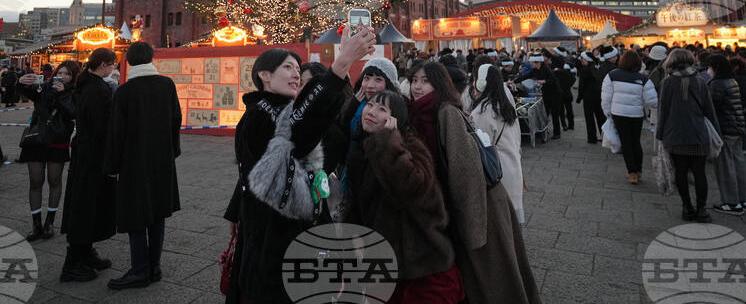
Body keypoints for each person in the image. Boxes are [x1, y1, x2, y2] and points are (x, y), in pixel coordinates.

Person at [223, 26, 376, 304]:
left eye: (297, 68)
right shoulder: (261, 114)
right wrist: (341, 63)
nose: (295, 74)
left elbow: (316, 124)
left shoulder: (279, 110)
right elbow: (297, 132)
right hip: (273, 237)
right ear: (264, 75)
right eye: (287, 67)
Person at [408, 61, 540, 304]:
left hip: (478, 205)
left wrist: (468, 223)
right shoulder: (419, 113)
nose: (417, 87)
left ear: (439, 83)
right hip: (469, 202)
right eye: (414, 80)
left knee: (491, 276)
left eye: (425, 81)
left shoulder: (445, 112)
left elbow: (464, 171)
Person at [346, 89, 464, 303]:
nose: (370, 112)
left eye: (382, 109)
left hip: (422, 264)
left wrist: (390, 143)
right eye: (370, 105)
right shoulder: (361, 150)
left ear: (395, 119)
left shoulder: (411, 146)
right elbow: (358, 203)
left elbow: (413, 189)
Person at [103, 41, 182, 290]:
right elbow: (176, 120)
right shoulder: (166, 84)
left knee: (135, 214)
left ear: (128, 61)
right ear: (151, 58)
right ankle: (154, 265)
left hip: (133, 161)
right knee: (158, 212)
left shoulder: (125, 91)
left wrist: (112, 164)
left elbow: (116, 132)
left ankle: (139, 269)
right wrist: (172, 151)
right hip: (162, 159)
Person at [60, 49, 118, 282]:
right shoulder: (95, 89)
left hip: (88, 153)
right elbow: (101, 126)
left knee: (90, 204)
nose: (114, 68)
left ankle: (85, 252)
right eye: (113, 64)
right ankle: (73, 261)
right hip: (92, 155)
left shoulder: (88, 84)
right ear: (103, 65)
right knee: (85, 205)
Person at [18, 60, 78, 242]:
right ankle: (36, 224)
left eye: (68, 74)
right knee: (35, 181)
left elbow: (72, 113)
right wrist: (21, 82)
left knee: (54, 180)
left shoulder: (74, 92)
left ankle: (49, 223)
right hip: (37, 139)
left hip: (58, 140)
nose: (64, 76)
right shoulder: (44, 87)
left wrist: (62, 95)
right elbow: (27, 93)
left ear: (73, 77)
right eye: (61, 72)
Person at [656, 49, 718, 223]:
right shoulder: (699, 81)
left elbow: (663, 111)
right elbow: (709, 110)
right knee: (700, 172)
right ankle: (702, 209)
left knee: (680, 171)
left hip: (674, 133)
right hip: (698, 133)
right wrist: (716, 132)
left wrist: (660, 135)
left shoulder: (667, 82)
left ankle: (687, 207)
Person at [470, 64, 524, 224]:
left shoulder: (483, 112)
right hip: (513, 169)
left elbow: (480, 149)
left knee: (500, 224)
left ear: (481, 83)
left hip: (496, 175)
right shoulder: (505, 106)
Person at [601, 51, 658, 184]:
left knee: (626, 143)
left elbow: (606, 97)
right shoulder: (644, 79)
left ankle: (631, 172)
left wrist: (608, 113)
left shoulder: (612, 76)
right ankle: (639, 171)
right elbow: (652, 101)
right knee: (636, 142)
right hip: (636, 115)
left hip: (618, 114)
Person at [707, 55, 746, 215]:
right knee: (738, 164)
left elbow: (711, 107)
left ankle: (731, 202)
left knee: (725, 167)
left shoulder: (717, 84)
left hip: (724, 128)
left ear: (715, 68)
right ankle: (745, 199)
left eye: (710, 67)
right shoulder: (732, 81)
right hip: (737, 127)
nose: (708, 70)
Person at [515, 53, 563, 139]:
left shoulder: (546, 69)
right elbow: (525, 76)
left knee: (555, 114)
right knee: (545, 113)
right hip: (546, 93)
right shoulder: (535, 70)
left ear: (538, 62)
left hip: (555, 94)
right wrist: (514, 81)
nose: (531, 64)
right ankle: (544, 130)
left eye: (532, 62)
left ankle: (557, 133)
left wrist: (544, 81)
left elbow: (554, 81)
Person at [576, 52, 606, 143]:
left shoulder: (584, 70)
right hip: (598, 96)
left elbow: (581, 86)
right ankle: (604, 136)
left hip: (588, 97)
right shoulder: (597, 68)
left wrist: (579, 98)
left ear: (587, 60)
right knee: (600, 117)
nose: (581, 60)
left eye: (583, 59)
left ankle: (592, 138)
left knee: (589, 118)